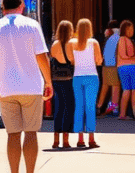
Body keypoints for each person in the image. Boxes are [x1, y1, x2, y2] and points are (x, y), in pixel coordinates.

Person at [0, 0, 53, 173]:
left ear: (2, 7)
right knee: (31, 132)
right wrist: (48, 81)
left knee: (12, 134)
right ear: (21, 5)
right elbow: (41, 56)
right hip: (31, 85)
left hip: (6, 87)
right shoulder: (32, 25)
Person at [71, 19, 102, 150]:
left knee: (79, 107)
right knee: (90, 107)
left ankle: (80, 139)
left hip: (77, 76)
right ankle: (91, 138)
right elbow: (99, 61)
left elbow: (71, 61)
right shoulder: (94, 43)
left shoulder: (72, 43)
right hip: (91, 76)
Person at [48, 20, 76, 149]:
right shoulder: (71, 44)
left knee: (58, 108)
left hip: (56, 79)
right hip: (68, 78)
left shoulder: (54, 44)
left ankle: (55, 140)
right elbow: (73, 60)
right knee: (68, 108)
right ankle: (66, 140)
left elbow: (52, 59)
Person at [116, 21, 135, 120]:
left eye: (132, 29)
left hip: (124, 67)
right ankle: (133, 113)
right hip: (130, 67)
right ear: (124, 29)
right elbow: (123, 55)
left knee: (130, 90)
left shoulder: (128, 40)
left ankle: (126, 114)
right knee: (132, 90)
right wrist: (133, 57)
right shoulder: (123, 39)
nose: (132, 31)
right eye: (129, 29)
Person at [97, 21, 121, 115]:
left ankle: (99, 106)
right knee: (116, 86)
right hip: (114, 64)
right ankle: (115, 107)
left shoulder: (107, 37)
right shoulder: (118, 37)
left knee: (105, 85)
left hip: (105, 64)